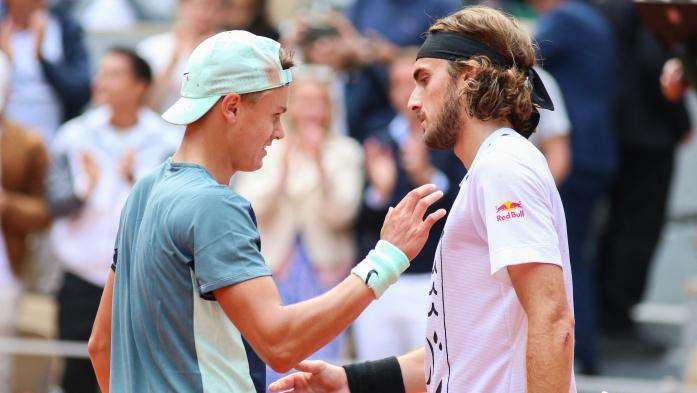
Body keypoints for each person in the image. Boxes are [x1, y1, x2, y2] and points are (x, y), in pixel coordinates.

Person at [88, 30, 446, 393]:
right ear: (231, 107)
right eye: (275, 115)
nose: (279, 133)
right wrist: (386, 259)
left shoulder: (144, 191)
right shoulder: (214, 204)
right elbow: (280, 344)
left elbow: (101, 346)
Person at [270, 6, 576, 393]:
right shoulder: (489, 169)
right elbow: (455, 350)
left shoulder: (504, 166)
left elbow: (553, 319)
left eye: (424, 80)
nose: (413, 101)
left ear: (469, 79)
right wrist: (351, 381)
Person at [47, 48, 179, 393]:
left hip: (141, 281)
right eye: (101, 73)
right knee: (76, 376)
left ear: (140, 85)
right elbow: (53, 204)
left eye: (114, 74)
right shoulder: (73, 134)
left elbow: (174, 212)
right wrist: (82, 189)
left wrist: (137, 180)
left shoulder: (169, 141)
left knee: (134, 376)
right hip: (79, 279)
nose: (101, 82)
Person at [232, 67, 364, 385]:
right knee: (272, 350)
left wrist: (320, 164)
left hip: (326, 268)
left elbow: (343, 213)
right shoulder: (269, 147)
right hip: (274, 267)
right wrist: (282, 171)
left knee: (323, 353)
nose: (311, 110)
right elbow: (248, 205)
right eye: (304, 102)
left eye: (319, 102)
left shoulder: (345, 150)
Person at [353, 48, 465, 361]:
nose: (407, 93)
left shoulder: (453, 138)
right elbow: (358, 222)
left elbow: (466, 211)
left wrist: (427, 176)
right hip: (382, 281)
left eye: (416, 82)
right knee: (374, 375)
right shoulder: (377, 139)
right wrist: (379, 191)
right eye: (397, 83)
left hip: (433, 278)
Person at [593, 0, 692, 337]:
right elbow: (657, 64)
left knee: (618, 224)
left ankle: (610, 308)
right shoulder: (645, 9)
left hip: (621, 128)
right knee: (637, 226)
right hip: (647, 133)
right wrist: (681, 122)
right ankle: (616, 312)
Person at [529, 0, 618, 374]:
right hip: (593, 151)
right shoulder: (589, 17)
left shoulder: (564, 19)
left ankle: (578, 354)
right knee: (573, 254)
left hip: (572, 157)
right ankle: (583, 353)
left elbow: (516, 53)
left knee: (564, 257)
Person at [0, 49, 52, 393]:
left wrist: (7, 205)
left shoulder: (28, 142)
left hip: (6, 269)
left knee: (2, 357)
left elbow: (44, 213)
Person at [0, 0, 91, 142]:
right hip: (7, 140)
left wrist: (42, 59)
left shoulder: (65, 27)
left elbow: (80, 89)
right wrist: (6, 62)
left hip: (54, 135)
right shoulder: (3, 29)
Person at [136, 0, 224, 113]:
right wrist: (173, 60)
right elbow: (145, 106)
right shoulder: (151, 47)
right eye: (198, 6)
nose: (205, 14)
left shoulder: (231, 47)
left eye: (214, 8)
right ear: (181, 6)